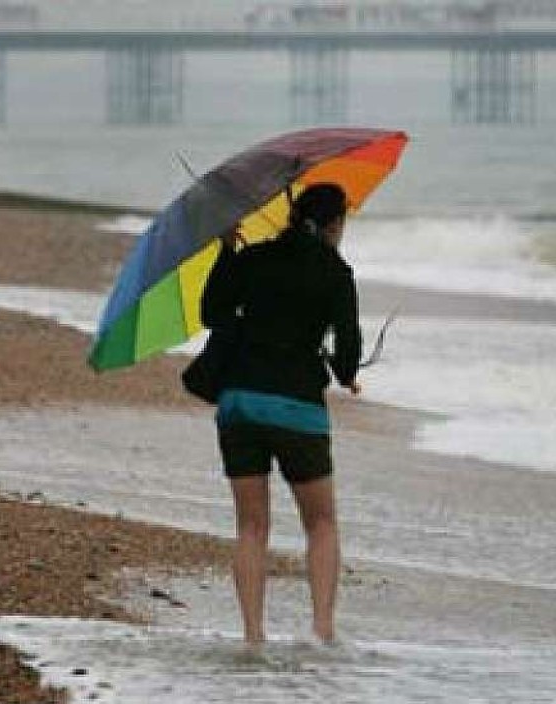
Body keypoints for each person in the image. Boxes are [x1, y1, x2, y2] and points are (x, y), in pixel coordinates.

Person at [200, 183, 362, 647]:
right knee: (322, 523)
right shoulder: (335, 272)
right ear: (334, 223)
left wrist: (228, 253)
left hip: (240, 403)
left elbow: (212, 313)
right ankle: (322, 631)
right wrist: (345, 371)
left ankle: (253, 636)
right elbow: (347, 358)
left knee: (251, 526)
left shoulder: (253, 258)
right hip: (297, 408)